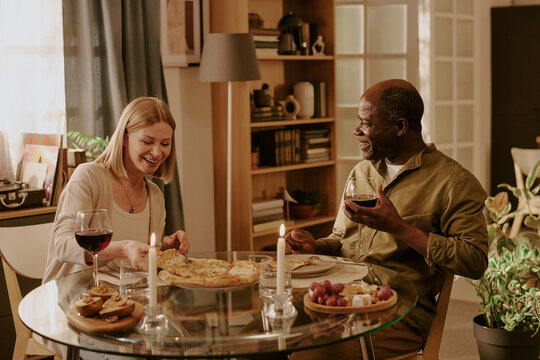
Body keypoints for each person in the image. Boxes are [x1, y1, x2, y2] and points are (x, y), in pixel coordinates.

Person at [287, 79, 488, 359]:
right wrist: (317, 247)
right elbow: (339, 240)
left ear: (400, 127)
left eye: (366, 123)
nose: (356, 130)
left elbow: (475, 260)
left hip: (397, 314)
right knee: (264, 330)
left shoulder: (454, 182)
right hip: (339, 300)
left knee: (307, 356)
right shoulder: (362, 172)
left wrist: (399, 228)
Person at [43, 97, 190, 283]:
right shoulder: (89, 177)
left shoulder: (155, 196)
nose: (157, 152)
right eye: (147, 141)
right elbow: (63, 246)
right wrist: (123, 248)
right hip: (74, 299)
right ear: (125, 139)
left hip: (124, 300)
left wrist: (167, 249)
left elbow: (143, 261)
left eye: (165, 144)